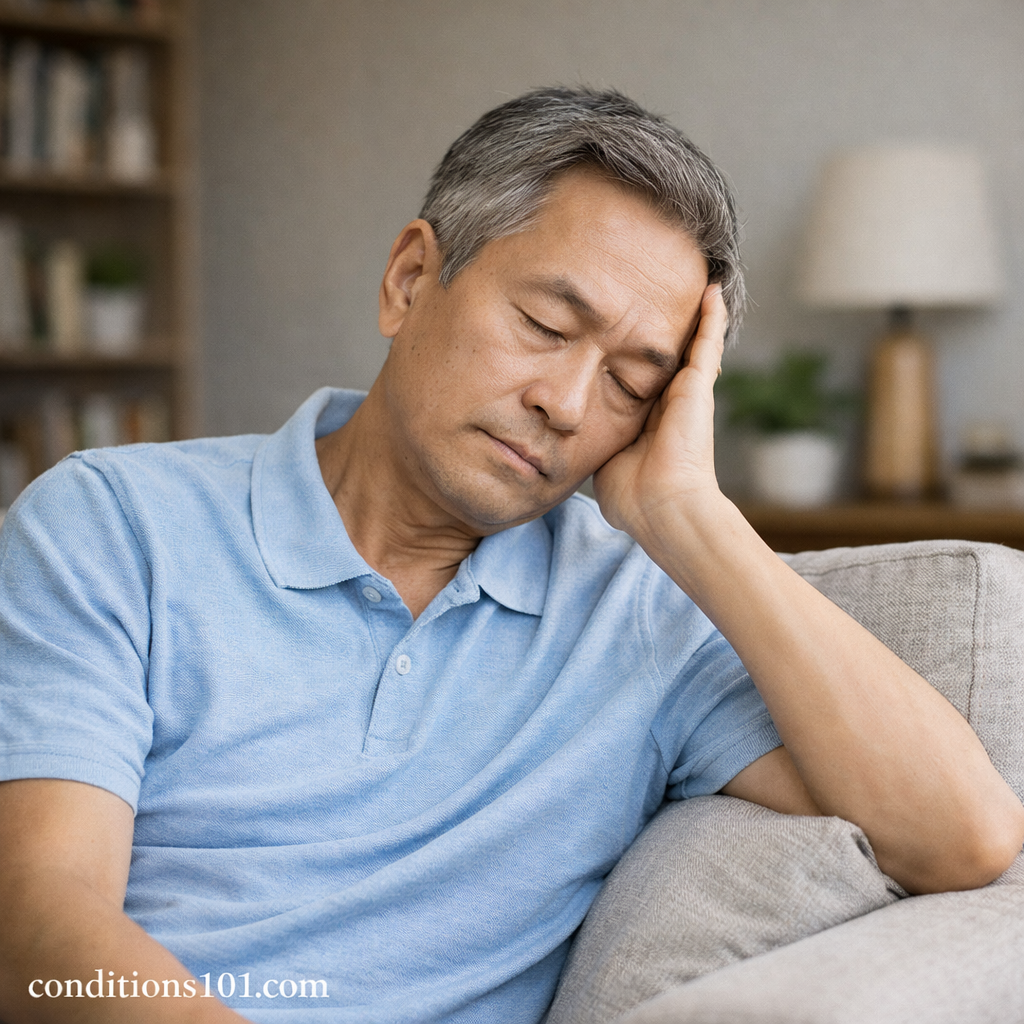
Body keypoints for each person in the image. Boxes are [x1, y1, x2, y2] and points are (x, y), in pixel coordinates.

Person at [1, 87, 1021, 1024]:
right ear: (410, 280)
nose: (567, 404)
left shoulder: (642, 615)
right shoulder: (113, 524)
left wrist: (690, 515)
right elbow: (36, 914)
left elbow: (961, 839)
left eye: (631, 381)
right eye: (544, 324)